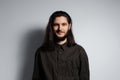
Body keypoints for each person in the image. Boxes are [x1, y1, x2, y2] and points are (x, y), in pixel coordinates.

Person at [32, 11, 90, 80]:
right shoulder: (41, 52)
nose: (60, 28)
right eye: (56, 24)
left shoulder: (79, 51)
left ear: (69, 26)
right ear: (51, 27)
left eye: (64, 24)